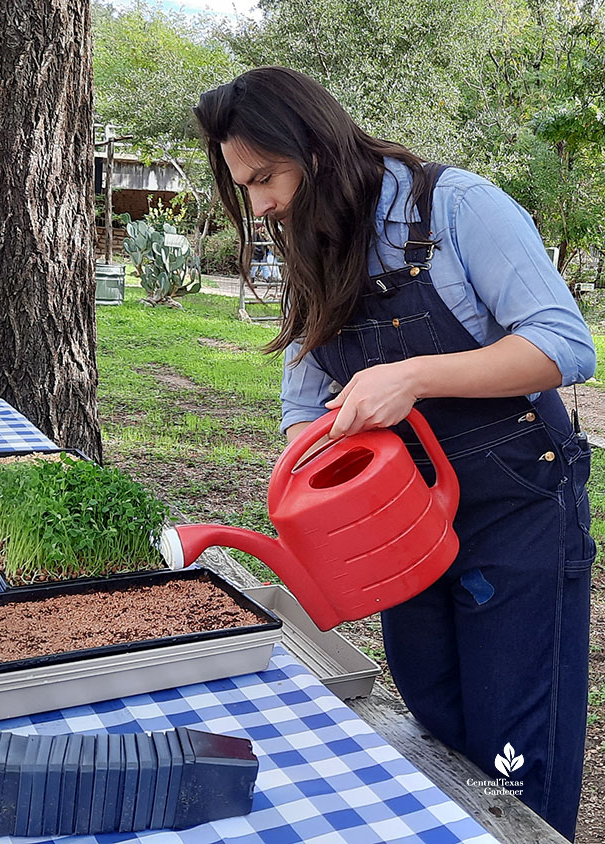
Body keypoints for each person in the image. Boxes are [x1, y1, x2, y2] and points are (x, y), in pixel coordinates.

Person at [193, 66, 596, 841]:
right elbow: (303, 407)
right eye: (246, 188)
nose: (262, 204)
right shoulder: (313, 246)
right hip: (404, 532)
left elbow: (564, 346)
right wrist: (323, 494)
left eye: (267, 177)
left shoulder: (456, 207)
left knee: (517, 751)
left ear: (315, 145)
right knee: (435, 722)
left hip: (518, 511)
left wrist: (411, 375)